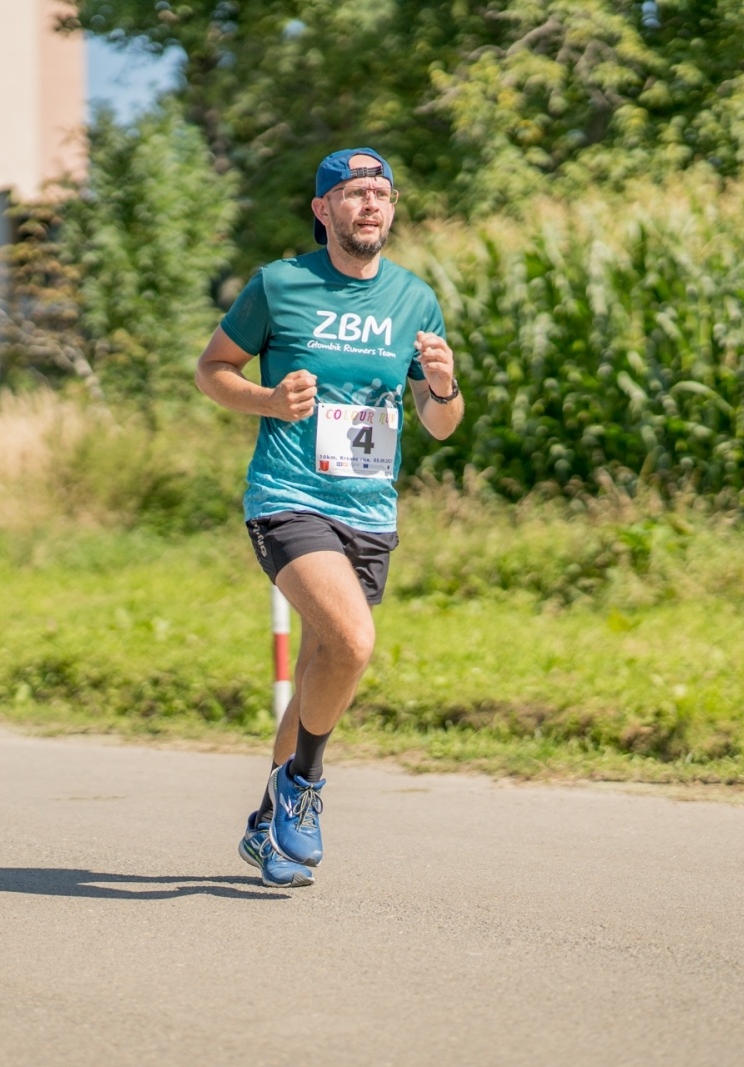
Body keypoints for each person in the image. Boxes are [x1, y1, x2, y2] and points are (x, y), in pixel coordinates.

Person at [194, 148, 464, 888]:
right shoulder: (279, 287)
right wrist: (269, 400)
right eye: (353, 193)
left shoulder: (414, 299)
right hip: (289, 496)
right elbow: (213, 369)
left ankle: (267, 824)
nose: (370, 205)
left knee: (325, 662)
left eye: (382, 193)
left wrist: (441, 387)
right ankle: (305, 786)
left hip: (369, 508)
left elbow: (441, 423)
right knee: (352, 638)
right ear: (324, 211)